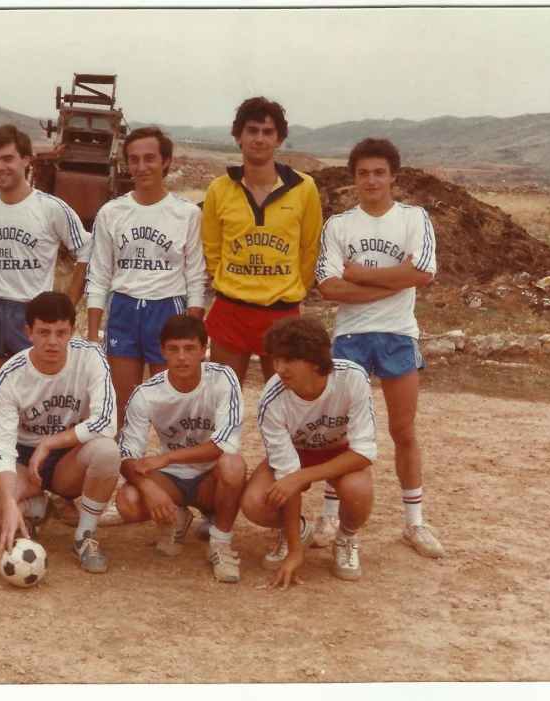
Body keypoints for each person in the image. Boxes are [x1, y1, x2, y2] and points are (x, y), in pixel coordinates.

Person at [314, 138, 442, 559]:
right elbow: (329, 286)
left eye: (379, 172)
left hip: (398, 333)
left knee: (402, 430)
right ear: (353, 177)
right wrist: (393, 278)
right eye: (363, 173)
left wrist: (362, 276)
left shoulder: (413, 218)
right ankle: (330, 516)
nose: (371, 180)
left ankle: (414, 523)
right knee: (340, 431)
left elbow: (422, 274)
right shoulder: (338, 225)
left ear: (393, 176)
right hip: (349, 336)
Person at [0, 292, 120, 574]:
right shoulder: (10, 374)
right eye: (43, 332)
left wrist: (51, 442)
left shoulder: (90, 357)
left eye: (61, 332)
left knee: (107, 451)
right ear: (29, 332)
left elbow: (106, 422)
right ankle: (36, 508)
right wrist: (8, 502)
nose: (53, 341)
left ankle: (84, 536)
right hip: (25, 459)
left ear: (72, 332)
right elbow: (1, 448)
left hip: (69, 457)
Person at [240, 316, 376, 586]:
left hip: (341, 452)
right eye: (276, 359)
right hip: (298, 452)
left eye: (289, 360)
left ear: (315, 360)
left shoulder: (352, 378)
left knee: (358, 491)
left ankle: (346, 538)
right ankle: (296, 532)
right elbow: (286, 471)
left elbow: (363, 452)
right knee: (255, 502)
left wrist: (303, 477)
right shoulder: (272, 400)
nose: (279, 368)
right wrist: (295, 551)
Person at [85, 126, 206, 429]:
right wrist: (91, 332)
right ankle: (123, 468)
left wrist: (193, 328)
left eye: (150, 158)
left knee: (172, 406)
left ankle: (173, 470)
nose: (141, 167)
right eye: (134, 159)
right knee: (121, 405)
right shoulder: (112, 212)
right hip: (124, 310)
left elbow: (195, 276)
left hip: (167, 311)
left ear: (166, 161)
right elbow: (99, 274)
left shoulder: (187, 213)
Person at [201, 96, 324, 388]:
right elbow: (212, 250)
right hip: (231, 311)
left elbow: (310, 250)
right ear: (237, 137)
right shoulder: (219, 189)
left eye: (267, 132)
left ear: (279, 139)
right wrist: (231, 284)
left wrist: (291, 289)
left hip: (282, 313)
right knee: (222, 402)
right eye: (252, 130)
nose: (259, 139)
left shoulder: (304, 188)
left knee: (287, 403)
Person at [114, 315, 246, 583]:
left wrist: (168, 456)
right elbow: (127, 453)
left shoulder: (223, 379)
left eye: (189, 348)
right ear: (162, 351)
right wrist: (148, 488)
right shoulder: (147, 393)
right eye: (173, 349)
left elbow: (224, 444)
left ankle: (220, 542)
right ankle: (176, 518)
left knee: (234, 465)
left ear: (203, 349)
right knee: (127, 501)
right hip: (172, 481)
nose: (181, 357)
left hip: (211, 478)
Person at [0, 125, 91, 395]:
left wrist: (68, 303)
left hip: (34, 312)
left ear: (26, 160)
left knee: (36, 399)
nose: (0, 167)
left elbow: (87, 250)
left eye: (8, 159)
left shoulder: (50, 208)